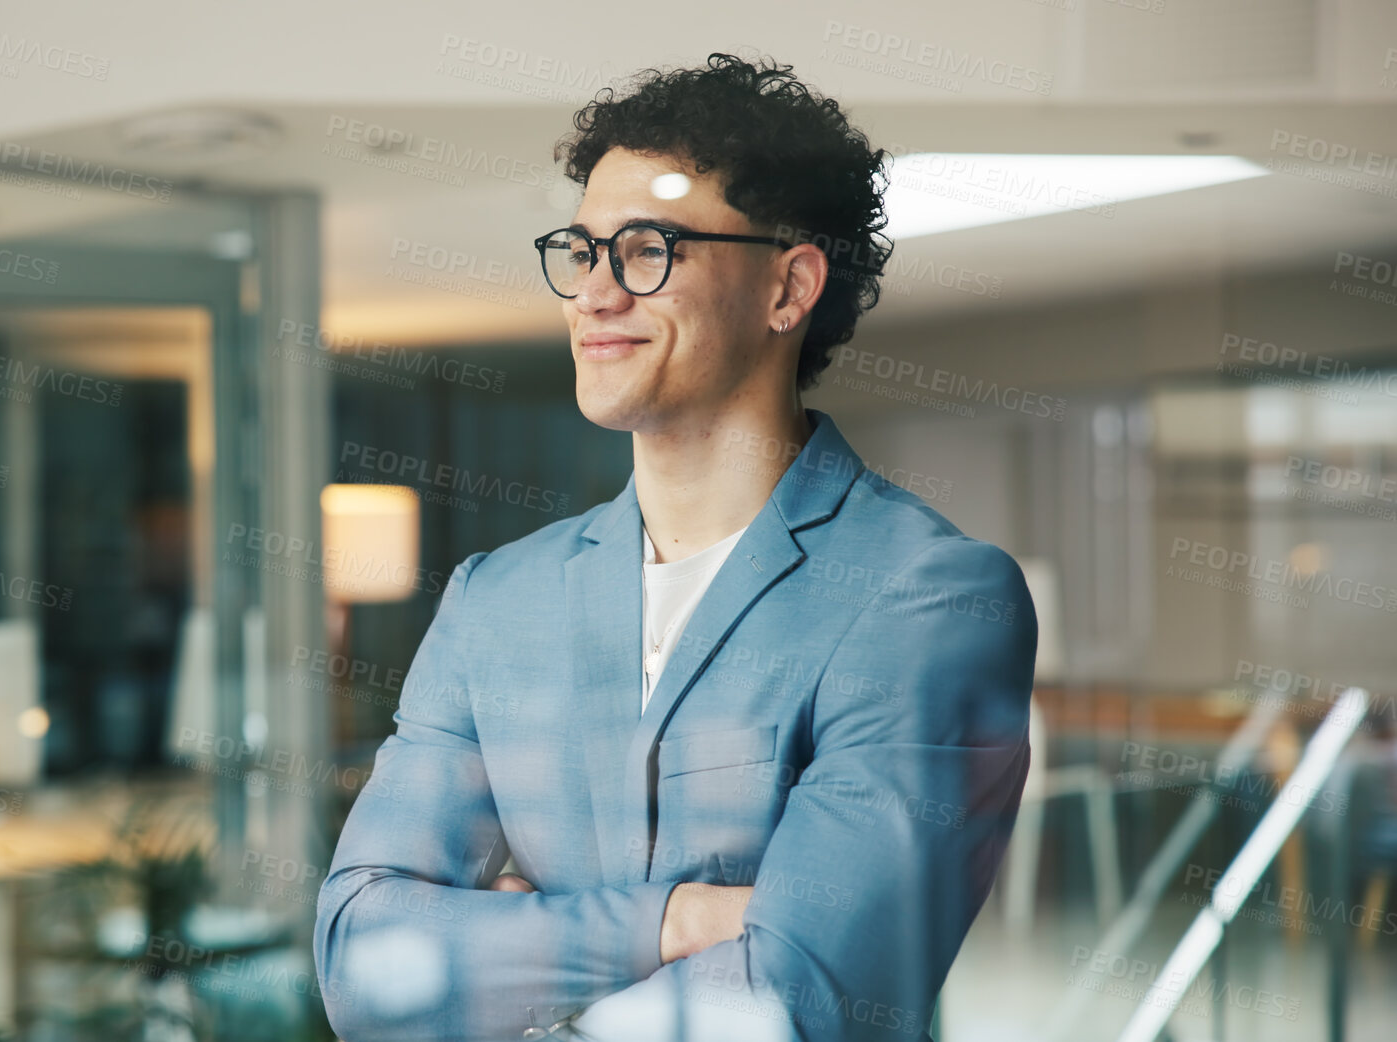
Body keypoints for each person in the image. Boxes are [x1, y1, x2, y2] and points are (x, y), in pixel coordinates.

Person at [314, 52, 1037, 1041]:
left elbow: (799, 996)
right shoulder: (495, 600)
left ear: (787, 286)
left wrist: (509, 949)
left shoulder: (929, 599)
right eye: (581, 250)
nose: (593, 295)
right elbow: (365, 959)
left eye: (648, 248)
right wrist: (682, 919)